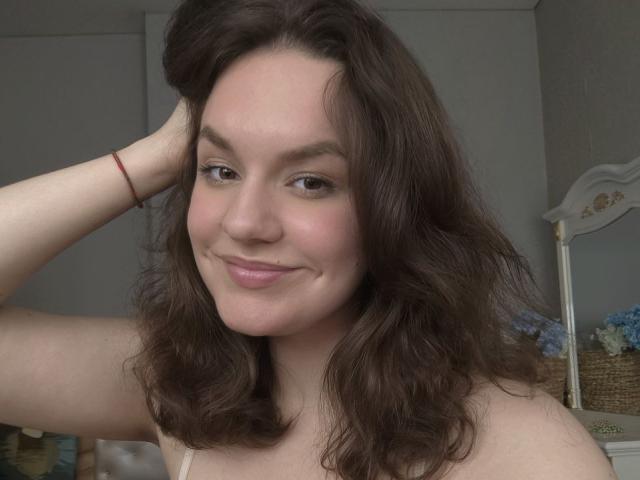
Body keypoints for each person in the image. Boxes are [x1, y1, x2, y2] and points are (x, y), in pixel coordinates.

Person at [0, 0, 618, 479]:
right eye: (221, 171)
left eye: (311, 181)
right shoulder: (172, 381)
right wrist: (154, 157)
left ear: (393, 209)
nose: (244, 223)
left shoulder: (529, 451)